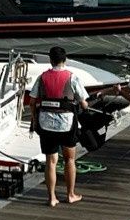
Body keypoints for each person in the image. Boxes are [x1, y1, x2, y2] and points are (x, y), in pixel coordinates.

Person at [26, 46, 88, 206]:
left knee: (50, 161)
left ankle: (52, 198)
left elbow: (32, 101)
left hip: (45, 123)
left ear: (51, 60)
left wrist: (34, 118)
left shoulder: (42, 77)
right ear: (65, 60)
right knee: (69, 160)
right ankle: (70, 194)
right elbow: (83, 103)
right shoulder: (72, 77)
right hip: (66, 124)